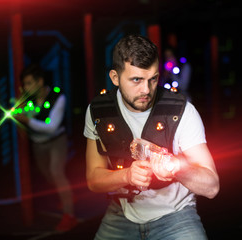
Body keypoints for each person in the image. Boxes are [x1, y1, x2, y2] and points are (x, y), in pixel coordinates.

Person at [84, 34, 219, 240]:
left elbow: (211, 186)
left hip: (176, 214)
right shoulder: (98, 111)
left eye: (153, 79)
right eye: (136, 80)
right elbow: (93, 180)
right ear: (114, 78)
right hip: (121, 214)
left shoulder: (182, 110)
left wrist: (175, 167)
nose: (146, 90)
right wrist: (127, 176)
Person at [14, 64, 77, 232]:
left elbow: (51, 127)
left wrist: (26, 120)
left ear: (39, 81)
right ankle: (65, 198)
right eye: (24, 84)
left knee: (56, 172)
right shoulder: (27, 100)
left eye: (29, 83)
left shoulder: (57, 96)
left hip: (56, 140)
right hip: (37, 144)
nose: (25, 88)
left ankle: (69, 215)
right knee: (48, 175)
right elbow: (23, 118)